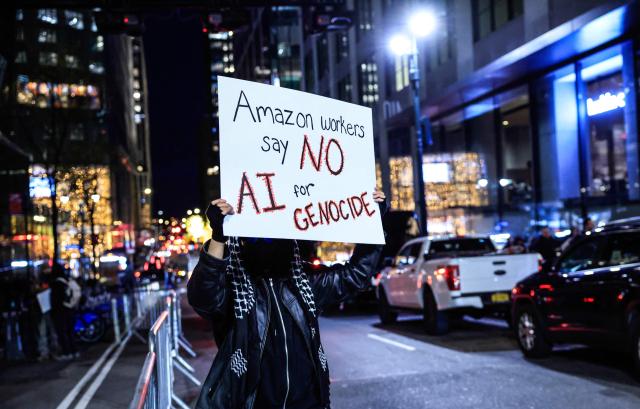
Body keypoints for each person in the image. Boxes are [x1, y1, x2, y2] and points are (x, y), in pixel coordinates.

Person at [188, 190, 386, 409]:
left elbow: (355, 274)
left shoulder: (305, 282)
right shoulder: (234, 289)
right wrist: (218, 236)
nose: (267, 240)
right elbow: (203, 297)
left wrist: (372, 222)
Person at [50, 263, 80, 360]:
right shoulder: (67, 281)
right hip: (70, 309)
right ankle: (74, 351)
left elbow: (56, 301)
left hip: (60, 311)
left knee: (62, 332)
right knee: (70, 331)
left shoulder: (56, 284)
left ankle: (66, 353)